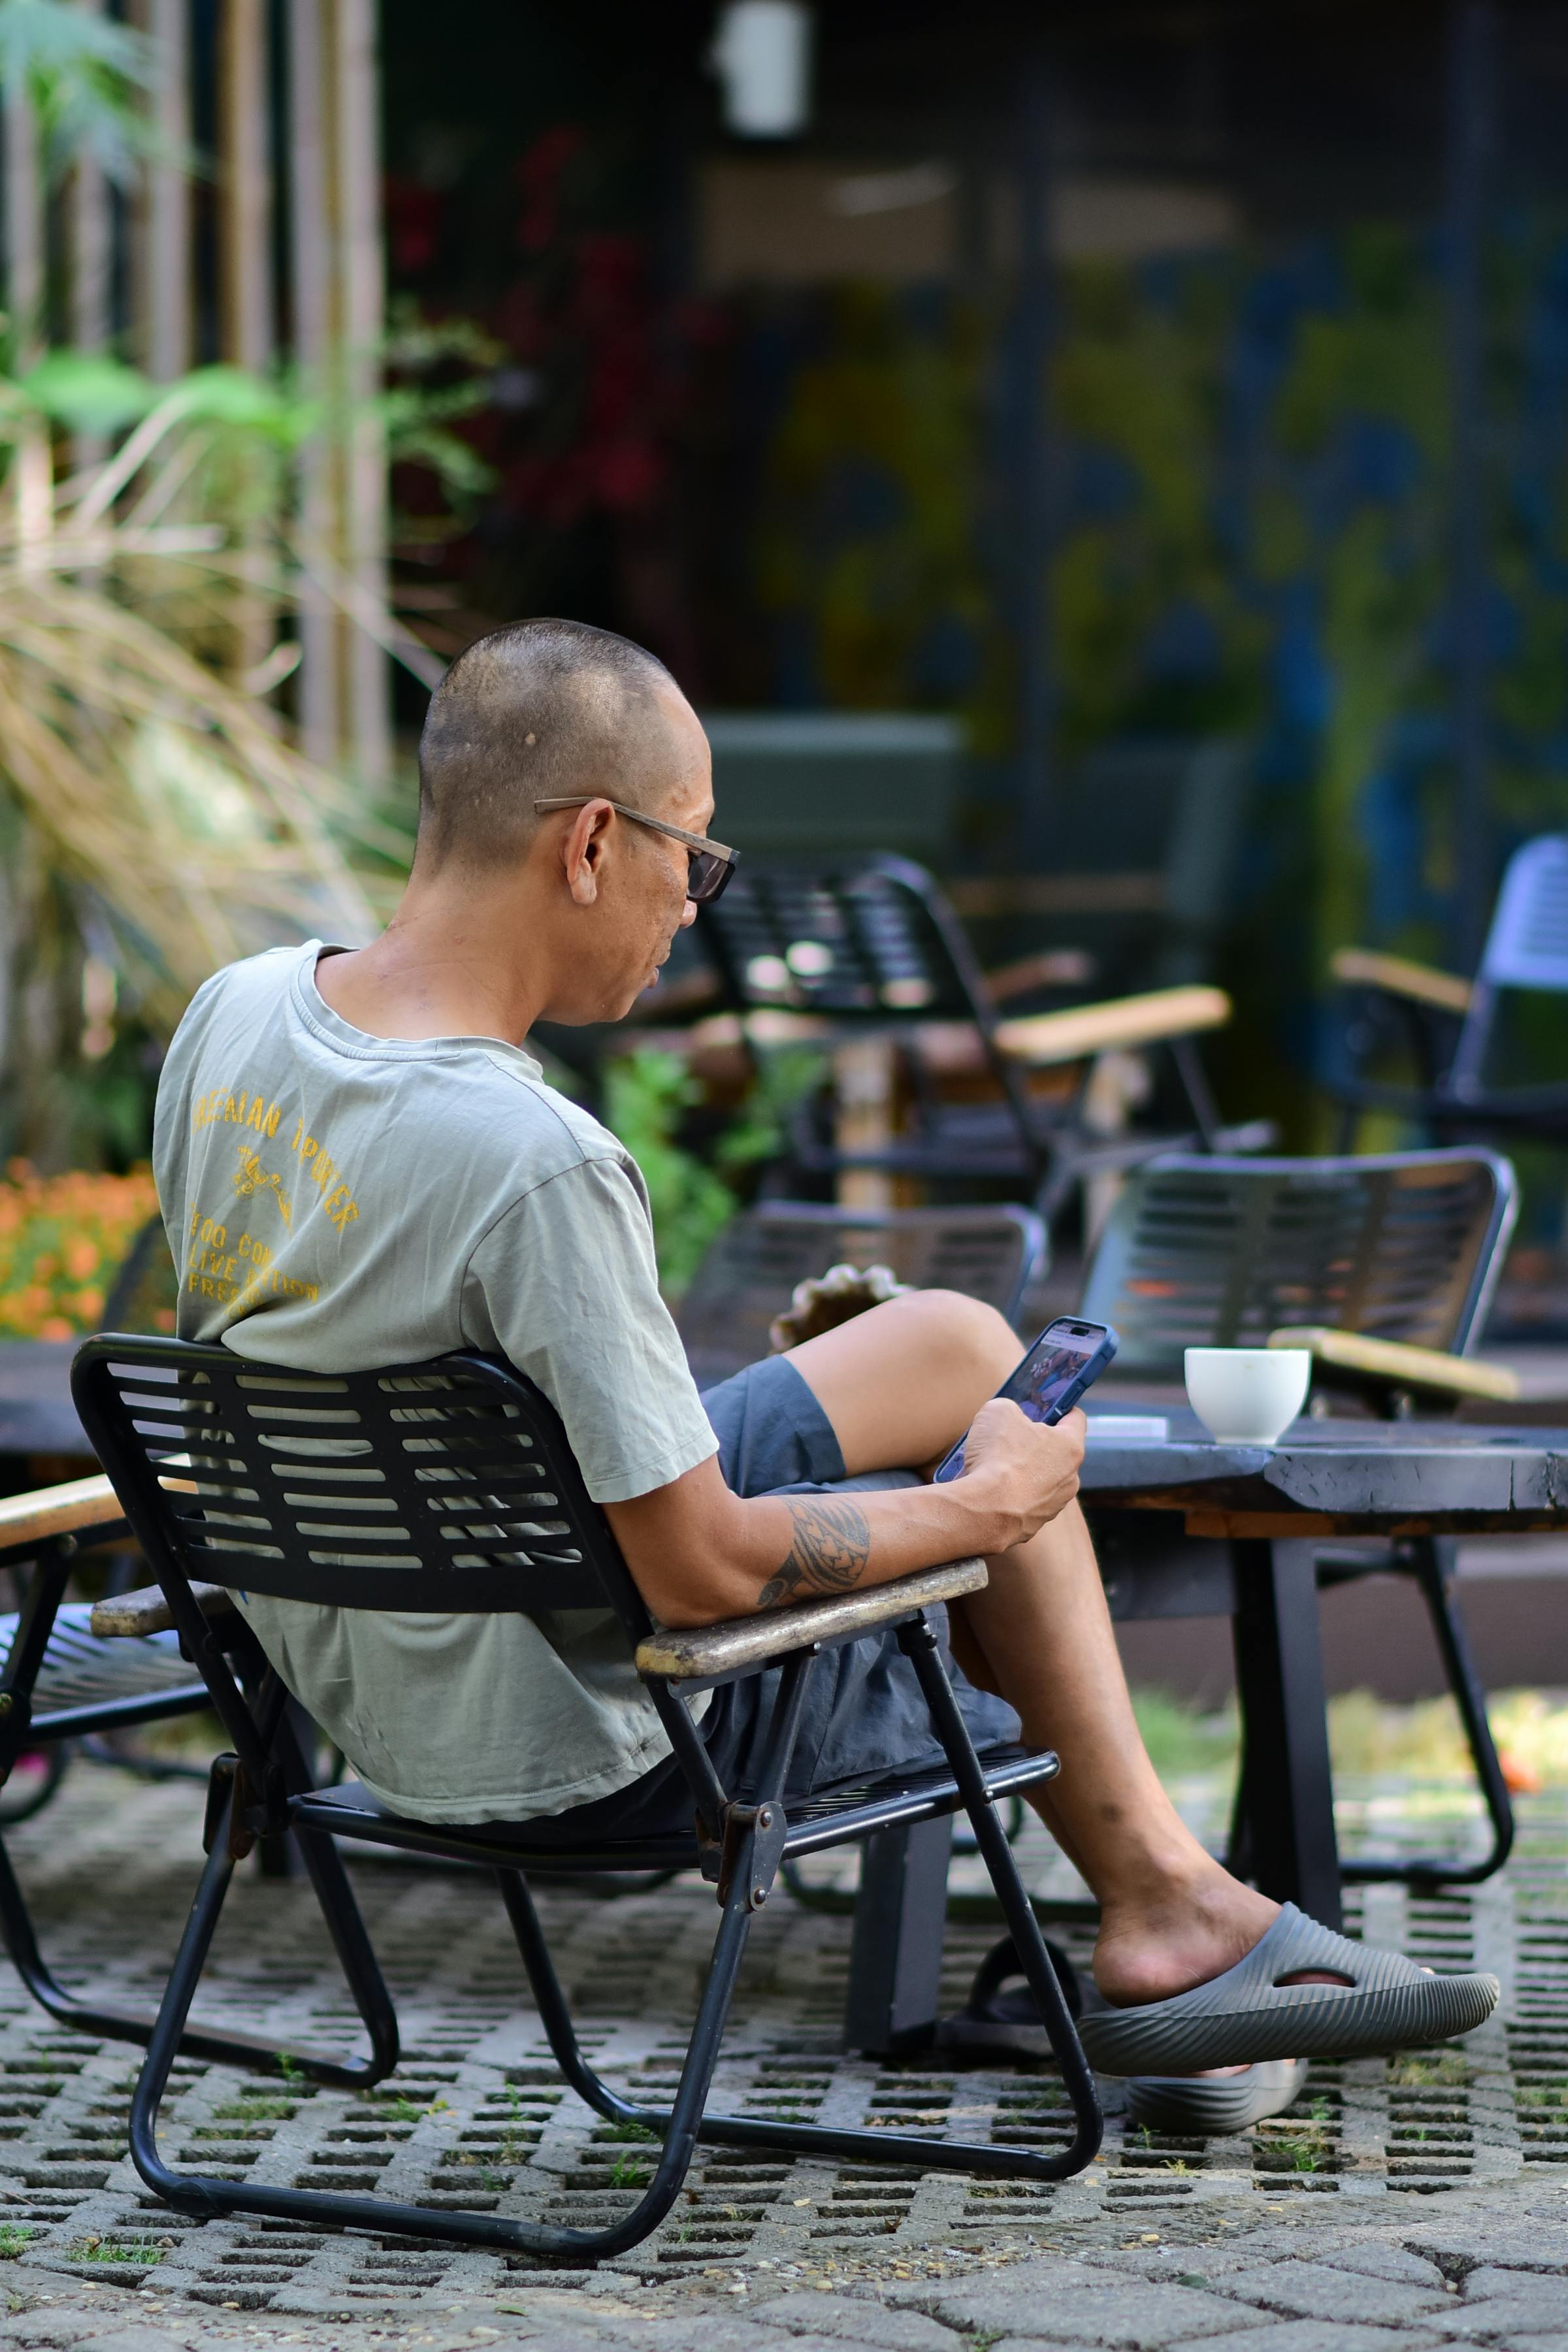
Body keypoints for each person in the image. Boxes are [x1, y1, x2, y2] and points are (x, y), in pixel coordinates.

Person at [153, 618, 1496, 2133]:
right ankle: (1169, 1905)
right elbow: (704, 1574)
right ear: (593, 843)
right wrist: (983, 1513)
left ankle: (1166, 1897)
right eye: (694, 860)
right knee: (1001, 1478)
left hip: (377, 1673)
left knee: (956, 1346)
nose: (693, 909)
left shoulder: (240, 1017)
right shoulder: (536, 1165)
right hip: (587, 1739)